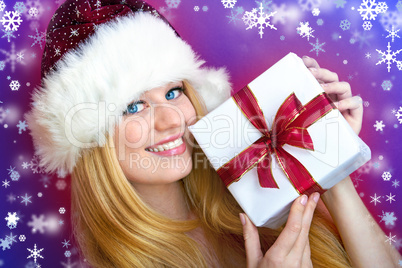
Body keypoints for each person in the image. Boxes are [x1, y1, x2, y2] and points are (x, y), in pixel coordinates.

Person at [26, 0, 401, 267]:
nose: (172, 120)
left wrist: (331, 168)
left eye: (174, 92)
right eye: (132, 107)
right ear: (92, 141)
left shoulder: (259, 195)